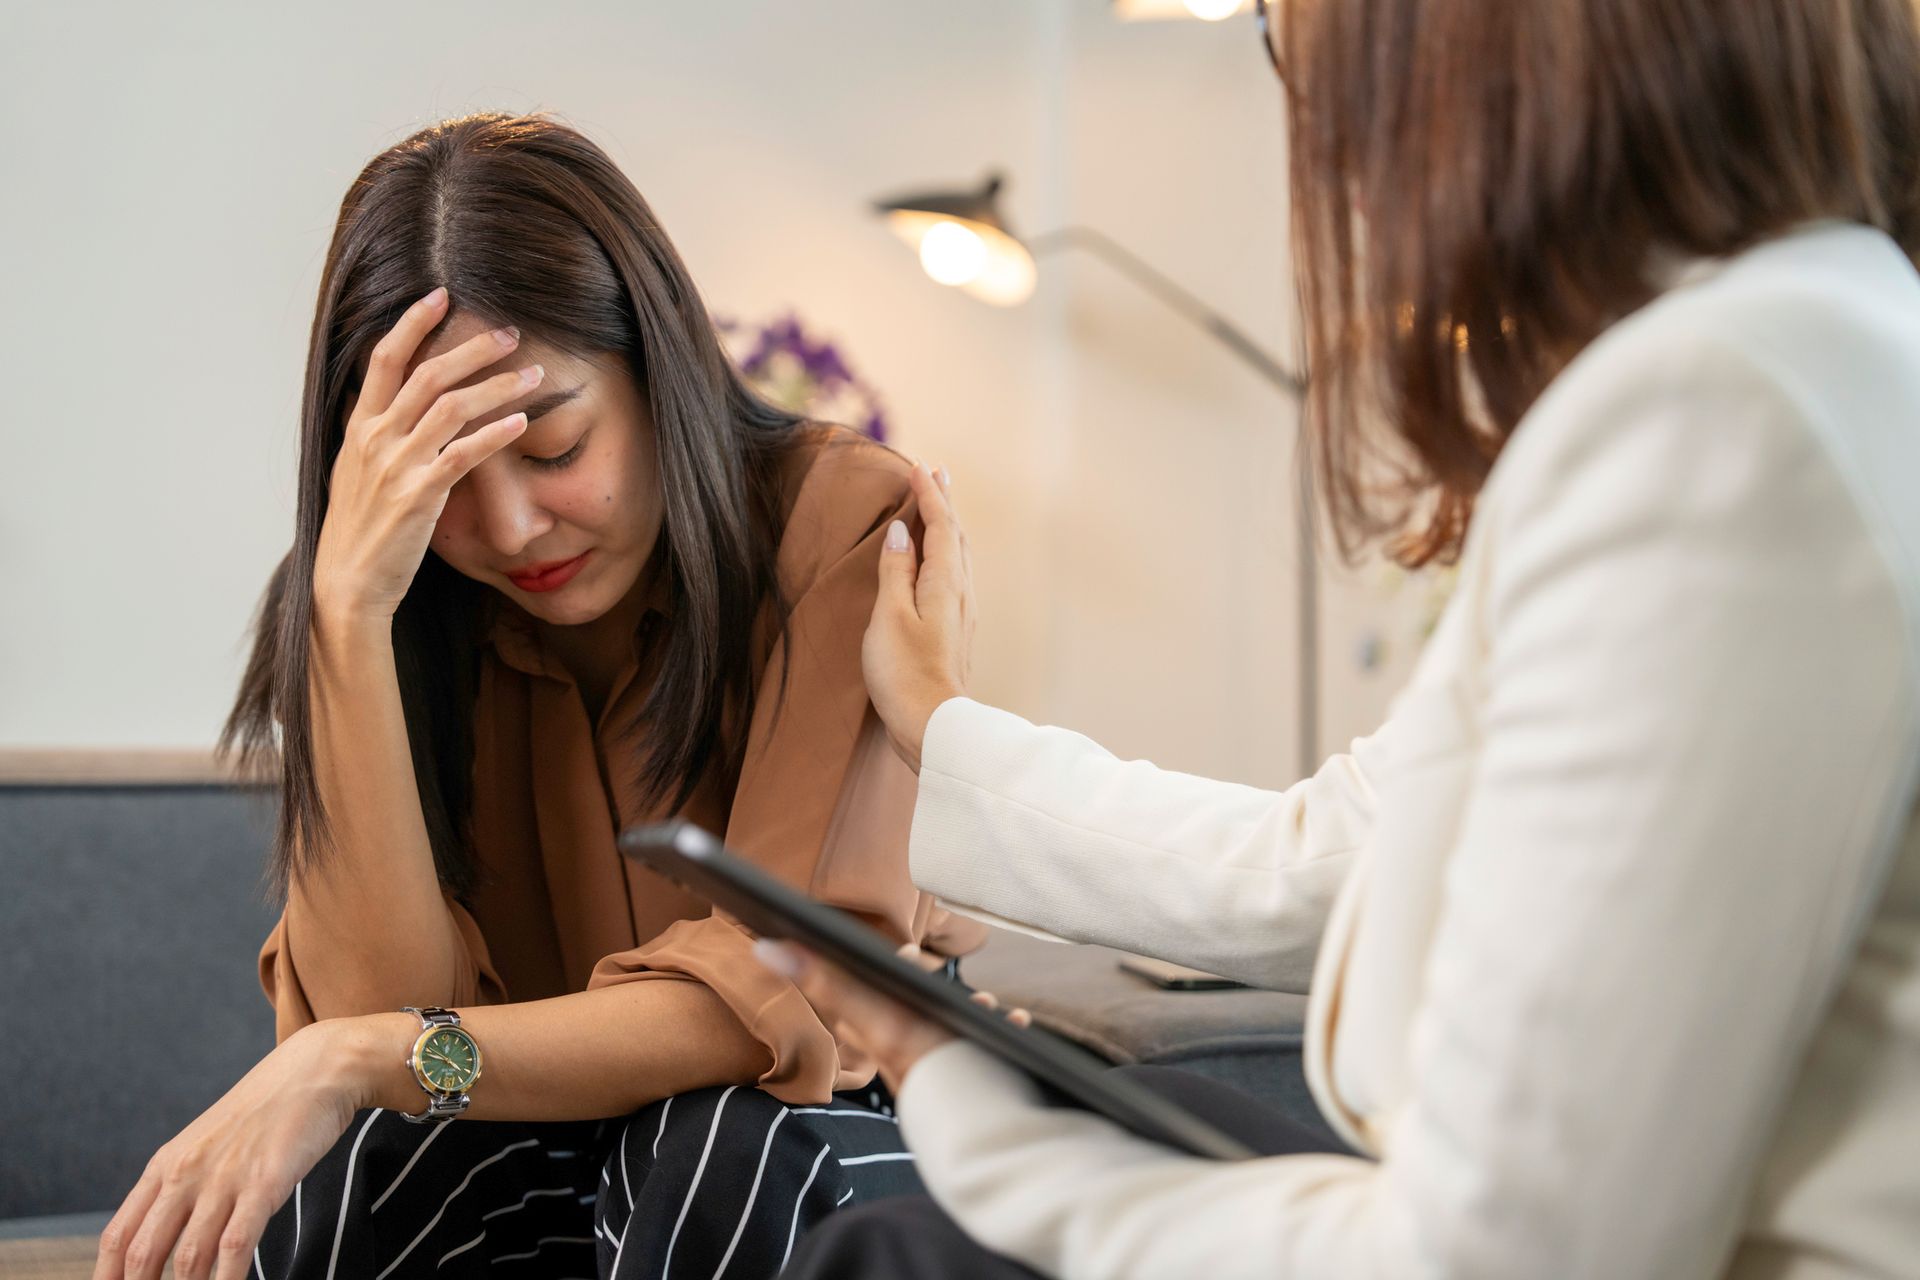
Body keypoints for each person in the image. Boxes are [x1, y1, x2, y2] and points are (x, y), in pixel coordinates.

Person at [769, 0, 1920, 1275]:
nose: (1303, 104)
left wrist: (976, 1113)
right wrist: (943, 728)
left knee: (895, 1244)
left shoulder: (1717, 417)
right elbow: (1332, 846)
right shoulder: (1808, 344)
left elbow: (1500, 1250)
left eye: (1283, 29)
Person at [90, 111, 981, 1280]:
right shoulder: (388, 589)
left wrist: (366, 1055)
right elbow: (382, 1013)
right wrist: (348, 617)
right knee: (335, 1182)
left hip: (846, 1126)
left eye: (554, 446)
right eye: (448, 478)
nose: (509, 529)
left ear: (656, 369)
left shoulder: (844, 527)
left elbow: (775, 998)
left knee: (710, 1145)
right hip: (540, 1134)